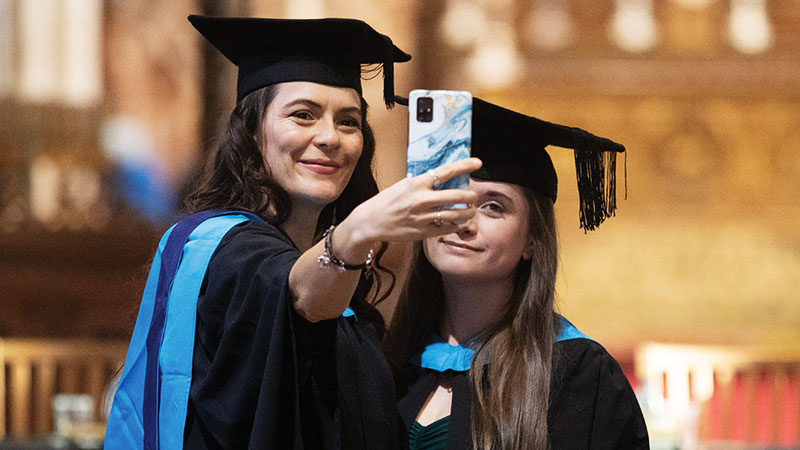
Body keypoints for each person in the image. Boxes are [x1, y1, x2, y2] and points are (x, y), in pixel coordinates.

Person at [104, 15, 482, 450]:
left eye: (349, 121)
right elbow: (297, 293)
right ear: (250, 130)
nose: (329, 137)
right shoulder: (222, 250)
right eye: (303, 115)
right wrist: (356, 233)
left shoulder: (340, 280)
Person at [385, 98, 649, 450]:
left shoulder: (578, 377)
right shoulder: (389, 362)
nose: (463, 222)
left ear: (533, 240)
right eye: (449, 197)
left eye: (493, 207)